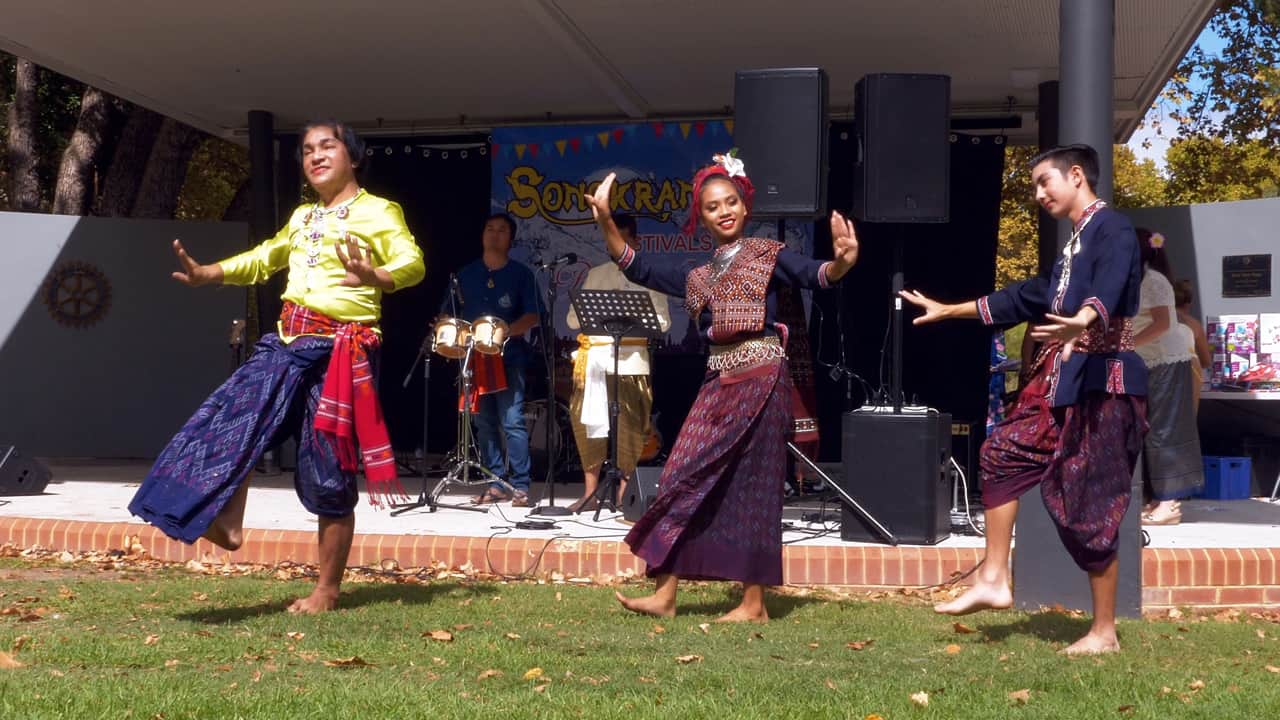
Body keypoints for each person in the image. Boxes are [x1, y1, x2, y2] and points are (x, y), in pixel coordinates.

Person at [129, 120, 425, 614]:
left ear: (352, 156)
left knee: (327, 469)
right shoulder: (304, 216)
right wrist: (212, 273)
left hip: (340, 351)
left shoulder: (377, 211)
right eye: (307, 150)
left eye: (327, 146)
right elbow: (266, 257)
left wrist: (376, 275)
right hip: (288, 340)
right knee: (235, 415)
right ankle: (228, 518)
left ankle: (326, 590)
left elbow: (412, 261)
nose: (315, 156)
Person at [586, 152, 859, 622]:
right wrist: (607, 219)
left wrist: (842, 263)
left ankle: (753, 604)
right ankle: (665, 593)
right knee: (678, 476)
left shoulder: (770, 256)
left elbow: (818, 274)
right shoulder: (699, 276)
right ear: (702, 217)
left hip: (762, 379)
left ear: (745, 206)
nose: (724, 211)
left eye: (731, 201)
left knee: (754, 488)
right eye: (713, 207)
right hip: (718, 383)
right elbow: (636, 266)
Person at [900, 144, 1147, 655]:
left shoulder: (1112, 229)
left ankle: (1104, 632)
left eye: (1043, 183)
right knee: (1001, 454)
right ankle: (993, 576)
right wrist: (950, 311)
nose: (1037, 194)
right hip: (1061, 381)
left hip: (1103, 384)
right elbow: (1023, 297)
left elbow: (1114, 276)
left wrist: (1087, 316)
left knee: (1091, 503)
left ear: (1076, 176)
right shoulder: (1073, 246)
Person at [564, 212, 671, 513]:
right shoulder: (596, 274)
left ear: (635, 241)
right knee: (586, 424)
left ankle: (625, 494)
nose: (617, 246)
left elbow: (662, 322)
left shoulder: (649, 274)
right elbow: (574, 319)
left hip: (632, 362)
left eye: (624, 239)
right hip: (595, 361)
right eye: (613, 240)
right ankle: (590, 493)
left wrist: (632, 317)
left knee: (631, 427)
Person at [444, 213, 540, 507]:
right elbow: (448, 314)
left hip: (508, 358)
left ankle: (521, 486)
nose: (494, 234)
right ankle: (495, 482)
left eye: (501, 230)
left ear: (511, 239)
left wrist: (507, 331)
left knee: (511, 421)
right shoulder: (465, 275)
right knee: (483, 423)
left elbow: (534, 315)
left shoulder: (522, 275)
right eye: (490, 229)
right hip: (474, 360)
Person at [1132, 230, 1204, 525]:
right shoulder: (1137, 279)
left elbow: (1162, 324)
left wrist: (1127, 344)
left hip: (1167, 361)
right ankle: (1157, 498)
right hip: (1148, 361)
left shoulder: (1154, 280)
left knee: (1165, 430)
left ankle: (1169, 504)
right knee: (1150, 430)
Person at [1173, 278, 1212, 411]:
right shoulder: (1193, 324)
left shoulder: (1156, 322)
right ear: (1189, 302)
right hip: (1188, 378)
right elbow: (1206, 361)